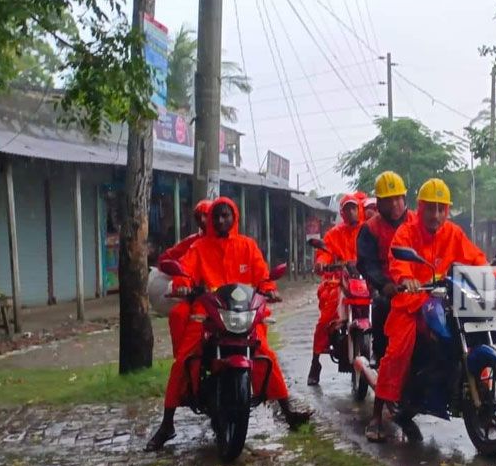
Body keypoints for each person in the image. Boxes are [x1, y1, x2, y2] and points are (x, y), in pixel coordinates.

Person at [145, 197, 311, 451]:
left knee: (265, 353)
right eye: (217, 216)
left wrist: (269, 288)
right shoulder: (199, 247)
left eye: (226, 215)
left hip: (243, 312)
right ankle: (168, 423)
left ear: (234, 218)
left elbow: (262, 276)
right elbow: (185, 270)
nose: (221, 220)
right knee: (184, 360)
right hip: (207, 310)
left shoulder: (247, 246)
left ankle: (287, 410)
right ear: (211, 220)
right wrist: (183, 283)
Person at [367, 178, 490, 442]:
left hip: (444, 301)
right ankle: (377, 415)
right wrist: (405, 279)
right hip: (411, 303)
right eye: (430, 208)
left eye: (441, 209)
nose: (436, 215)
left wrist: (491, 276)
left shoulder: (454, 233)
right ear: (419, 208)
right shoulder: (406, 233)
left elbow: (475, 258)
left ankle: (479, 395)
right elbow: (398, 262)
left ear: (447, 210)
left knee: (475, 332)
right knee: (398, 350)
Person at [356, 171, 417, 369]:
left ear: (404, 198)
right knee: (381, 304)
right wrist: (384, 285)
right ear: (379, 202)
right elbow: (367, 263)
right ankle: (379, 348)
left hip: (418, 284)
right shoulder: (370, 228)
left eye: (397, 199)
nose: (394, 205)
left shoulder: (417, 222)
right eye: (388, 200)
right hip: (387, 285)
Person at [308, 193, 366, 385]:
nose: (351, 211)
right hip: (338, 281)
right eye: (347, 208)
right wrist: (322, 263)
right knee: (326, 318)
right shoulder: (334, 234)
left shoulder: (367, 231)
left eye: (353, 207)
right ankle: (315, 362)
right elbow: (324, 254)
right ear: (342, 212)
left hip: (364, 281)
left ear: (359, 209)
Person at [158, 199, 212, 356]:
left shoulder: (241, 244)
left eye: (206, 215)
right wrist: (183, 284)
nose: (202, 220)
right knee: (178, 314)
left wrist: (265, 287)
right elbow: (172, 262)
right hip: (199, 297)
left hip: (229, 299)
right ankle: (183, 361)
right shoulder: (193, 243)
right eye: (198, 217)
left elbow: (254, 270)